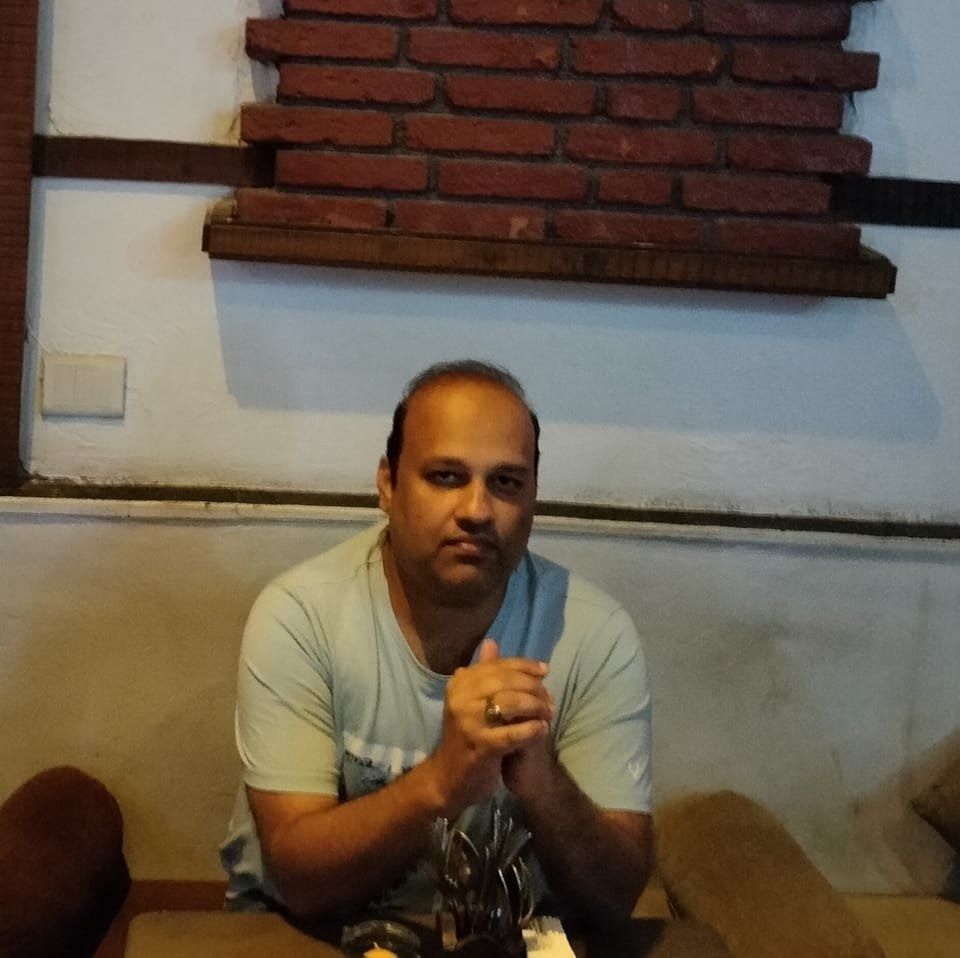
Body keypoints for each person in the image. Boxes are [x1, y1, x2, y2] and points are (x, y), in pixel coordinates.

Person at [220, 360, 653, 928]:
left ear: (533, 497)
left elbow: (615, 899)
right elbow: (299, 881)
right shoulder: (300, 616)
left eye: (506, 482)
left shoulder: (596, 633)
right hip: (310, 931)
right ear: (388, 484)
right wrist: (441, 783)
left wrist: (542, 780)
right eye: (446, 476)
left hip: (509, 935)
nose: (476, 511)